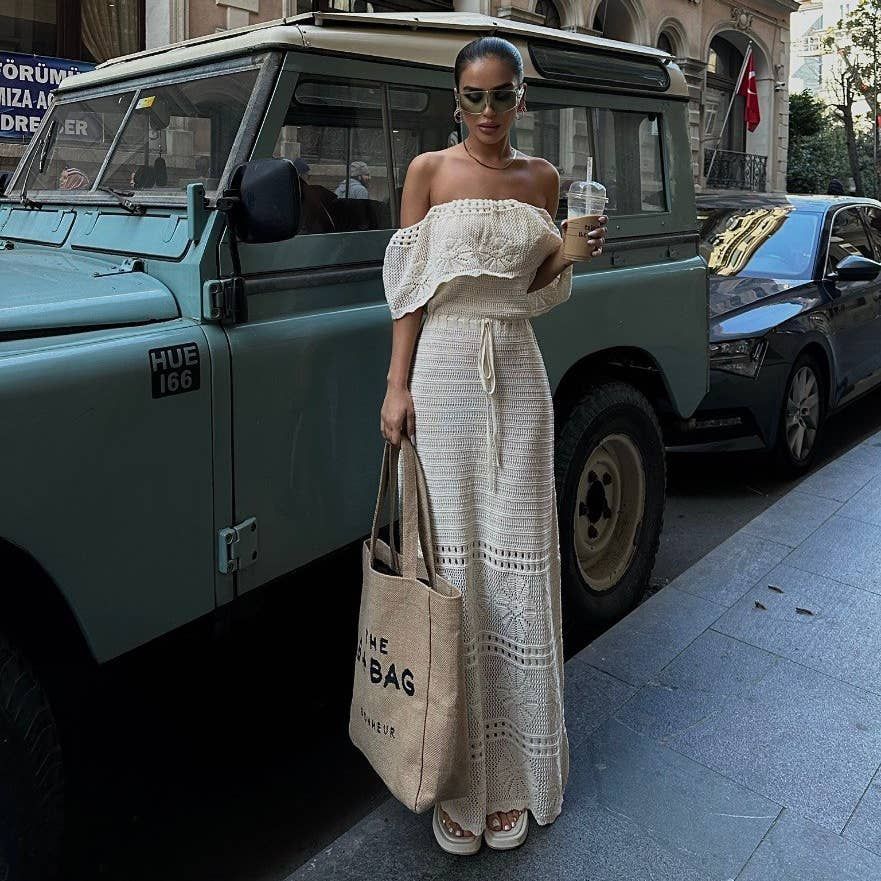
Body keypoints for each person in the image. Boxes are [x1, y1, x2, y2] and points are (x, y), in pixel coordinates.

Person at [379, 36, 607, 855]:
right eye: (472, 96)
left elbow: (538, 292)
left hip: (516, 370)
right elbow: (407, 292)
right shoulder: (427, 174)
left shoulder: (542, 181)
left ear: (520, 98)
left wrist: (568, 256)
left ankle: (512, 774)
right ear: (454, 100)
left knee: (515, 555)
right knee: (454, 567)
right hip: (440, 371)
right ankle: (458, 774)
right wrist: (396, 385)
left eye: (500, 96)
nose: (486, 112)